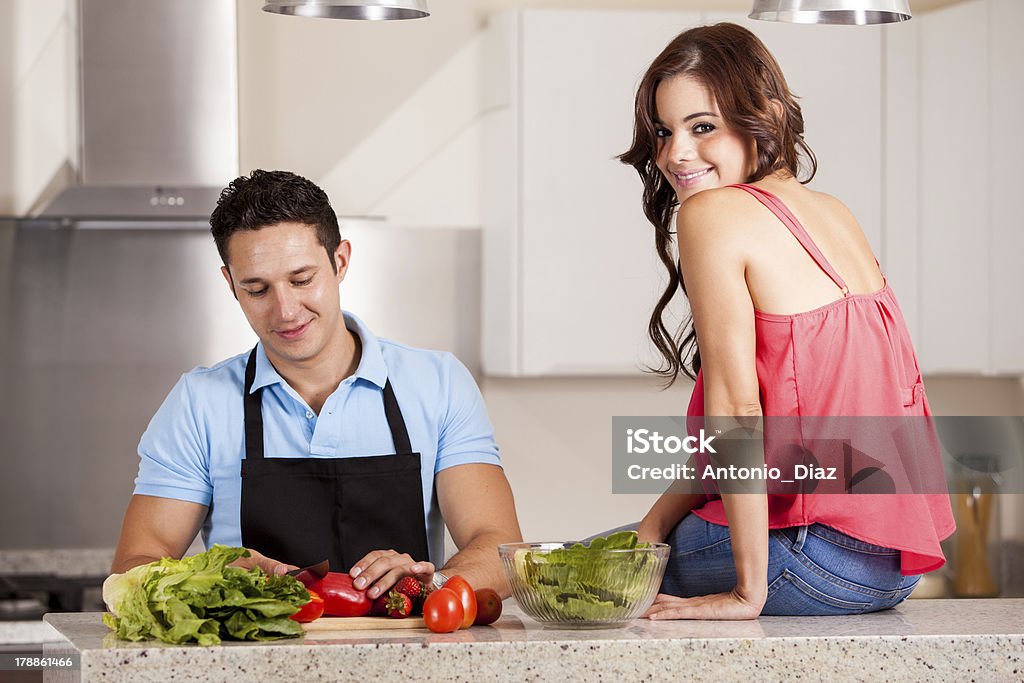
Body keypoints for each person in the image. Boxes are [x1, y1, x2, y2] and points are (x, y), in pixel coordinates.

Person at [617, 23, 954, 619]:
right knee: (629, 544)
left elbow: (736, 413)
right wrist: (653, 524)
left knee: (578, 570)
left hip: (806, 558)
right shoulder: (833, 214)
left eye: (703, 127)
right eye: (664, 133)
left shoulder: (714, 215)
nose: (675, 154)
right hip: (891, 571)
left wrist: (748, 593)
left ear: (765, 116)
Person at [111, 170, 523, 600]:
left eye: (302, 280)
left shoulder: (438, 383)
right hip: (250, 662)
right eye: (256, 289)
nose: (286, 310)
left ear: (340, 261)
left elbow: (500, 552)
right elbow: (134, 565)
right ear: (231, 285)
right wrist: (214, 575)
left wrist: (430, 583)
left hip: (407, 661)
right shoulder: (199, 403)